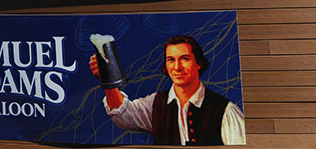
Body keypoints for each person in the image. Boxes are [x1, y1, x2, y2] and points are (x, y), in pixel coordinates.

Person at [90, 34, 245, 145]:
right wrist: (108, 79)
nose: (177, 67)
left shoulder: (226, 111)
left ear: (199, 63)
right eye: (171, 60)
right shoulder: (155, 104)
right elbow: (124, 116)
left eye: (185, 59)